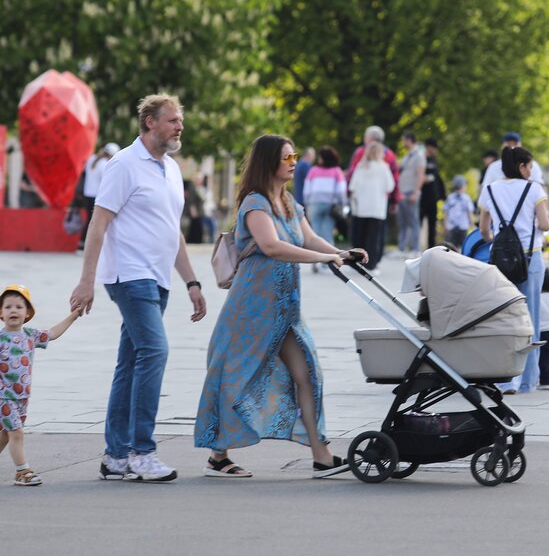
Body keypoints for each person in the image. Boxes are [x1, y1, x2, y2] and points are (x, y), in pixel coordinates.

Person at [194, 134, 365, 478]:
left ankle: (322, 454)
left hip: (286, 308)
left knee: (308, 373)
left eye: (294, 156)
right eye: (286, 157)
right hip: (251, 307)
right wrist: (323, 257)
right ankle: (218, 455)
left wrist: (341, 253)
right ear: (269, 162)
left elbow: (310, 238)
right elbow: (272, 247)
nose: (292, 162)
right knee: (236, 376)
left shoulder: (289, 202)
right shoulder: (254, 203)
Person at [69, 93, 208, 483]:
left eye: (180, 120)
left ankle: (115, 456)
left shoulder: (171, 170)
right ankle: (141, 452)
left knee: (130, 363)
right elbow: (98, 225)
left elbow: (172, 232)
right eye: (173, 120)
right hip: (129, 276)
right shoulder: (124, 165)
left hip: (159, 276)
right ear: (150, 122)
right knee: (155, 350)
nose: (180, 126)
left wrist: (192, 282)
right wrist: (87, 281)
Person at [0, 285, 80, 486]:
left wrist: (72, 317)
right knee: (17, 433)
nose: (13, 310)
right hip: (2, 396)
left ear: (27, 313)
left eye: (19, 307)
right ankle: (22, 471)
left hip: (22, 397)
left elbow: (53, 333)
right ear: (0, 313)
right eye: (8, 307)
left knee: (5, 435)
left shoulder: (30, 335)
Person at [479, 146, 549, 393]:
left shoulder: (490, 189)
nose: (531, 171)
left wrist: (497, 240)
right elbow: (543, 223)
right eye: (529, 166)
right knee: (531, 317)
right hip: (531, 258)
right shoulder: (534, 189)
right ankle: (528, 380)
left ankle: (505, 378)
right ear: (521, 167)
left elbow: (484, 230)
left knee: (504, 318)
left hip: (500, 261)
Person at [347, 126, 400, 265]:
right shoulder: (388, 159)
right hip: (378, 205)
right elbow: (392, 184)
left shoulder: (360, 158)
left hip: (361, 207)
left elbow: (351, 183)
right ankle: (373, 262)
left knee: (360, 234)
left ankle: (356, 260)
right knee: (376, 236)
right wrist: (394, 201)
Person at [303, 146, 347, 247]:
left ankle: (315, 259)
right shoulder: (337, 171)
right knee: (328, 232)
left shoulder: (313, 170)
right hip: (330, 205)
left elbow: (307, 189)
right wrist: (343, 203)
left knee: (315, 232)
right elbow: (341, 190)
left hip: (314, 203)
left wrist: (307, 203)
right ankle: (328, 260)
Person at [78, 142, 120, 247]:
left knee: (89, 220)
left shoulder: (92, 159)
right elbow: (107, 181)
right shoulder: (105, 164)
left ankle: (82, 243)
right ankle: (88, 244)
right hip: (97, 196)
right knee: (96, 222)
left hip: (87, 194)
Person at [397, 131, 426, 257]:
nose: (403, 143)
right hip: (402, 191)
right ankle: (402, 248)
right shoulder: (406, 156)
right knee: (403, 221)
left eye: (405, 140)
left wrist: (416, 192)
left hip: (411, 192)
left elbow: (421, 175)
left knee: (413, 221)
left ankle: (415, 249)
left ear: (410, 140)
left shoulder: (419, 156)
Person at [420, 138, 446, 250]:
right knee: (419, 222)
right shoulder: (421, 159)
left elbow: (437, 179)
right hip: (422, 197)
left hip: (432, 198)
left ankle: (430, 247)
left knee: (432, 224)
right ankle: (416, 246)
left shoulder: (434, 160)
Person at [442, 175, 474, 249]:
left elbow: (446, 212)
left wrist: (445, 224)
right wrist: (471, 223)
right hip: (462, 227)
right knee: (463, 246)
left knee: (451, 247)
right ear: (463, 186)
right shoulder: (467, 198)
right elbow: (469, 212)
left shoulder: (450, 197)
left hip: (452, 227)